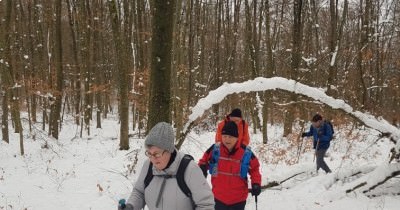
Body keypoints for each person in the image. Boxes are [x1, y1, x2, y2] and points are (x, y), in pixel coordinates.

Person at [118, 122, 215, 210]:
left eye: (157, 154)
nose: (153, 159)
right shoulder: (148, 166)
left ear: (169, 150)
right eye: (149, 153)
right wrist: (131, 206)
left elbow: (206, 205)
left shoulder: (189, 169)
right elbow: (139, 192)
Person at [199, 121, 262, 210]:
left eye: (230, 137)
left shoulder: (246, 152)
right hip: (218, 198)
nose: (227, 139)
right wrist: (202, 168)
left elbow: (254, 169)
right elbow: (203, 161)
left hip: (238, 200)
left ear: (236, 138)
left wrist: (256, 183)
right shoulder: (215, 149)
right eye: (224, 136)